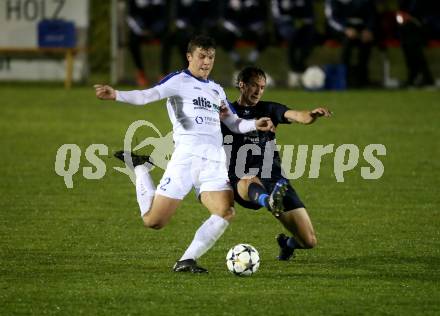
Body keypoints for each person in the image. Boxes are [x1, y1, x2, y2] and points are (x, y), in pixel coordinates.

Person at [94, 35, 277, 273]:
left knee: (225, 212)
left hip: (213, 161)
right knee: (153, 221)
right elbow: (147, 95)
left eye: (211, 57)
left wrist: (254, 124)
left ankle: (186, 260)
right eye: (201, 56)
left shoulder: (216, 90)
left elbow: (233, 122)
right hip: (186, 159)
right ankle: (140, 167)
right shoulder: (178, 81)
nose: (206, 62)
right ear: (189, 57)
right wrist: (116, 94)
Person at [221, 66, 331, 260]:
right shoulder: (226, 112)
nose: (258, 91)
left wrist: (311, 116)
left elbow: (297, 115)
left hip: (274, 179)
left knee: (308, 241)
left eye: (262, 87)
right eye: (254, 86)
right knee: (248, 180)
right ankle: (269, 202)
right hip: (241, 179)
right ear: (242, 85)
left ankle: (287, 245)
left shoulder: (270, 109)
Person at [216, 0, 273, 85]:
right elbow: (224, 18)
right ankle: (237, 60)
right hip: (234, 29)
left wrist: (252, 28)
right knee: (221, 36)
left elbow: (263, 17)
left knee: (266, 35)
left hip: (252, 29)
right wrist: (236, 29)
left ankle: (251, 60)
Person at [325, 0, 376, 87]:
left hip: (361, 29)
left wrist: (368, 29)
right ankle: (344, 79)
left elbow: (371, 15)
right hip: (341, 31)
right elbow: (332, 19)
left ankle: (362, 79)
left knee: (366, 43)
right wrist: (345, 29)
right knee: (347, 43)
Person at [271, 0, 317, 88]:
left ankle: (300, 66)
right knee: (292, 36)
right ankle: (295, 70)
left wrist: (302, 20)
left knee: (310, 35)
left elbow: (310, 14)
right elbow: (276, 15)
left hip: (302, 25)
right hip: (285, 25)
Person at [396, 0, 440, 87]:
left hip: (428, 27)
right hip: (411, 30)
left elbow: (430, 14)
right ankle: (415, 76)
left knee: (412, 44)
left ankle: (424, 77)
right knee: (407, 42)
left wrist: (413, 19)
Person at [125, 0, 168, 87]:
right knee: (132, 41)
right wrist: (141, 31)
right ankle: (141, 72)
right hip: (140, 31)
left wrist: (155, 31)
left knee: (168, 39)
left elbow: (165, 17)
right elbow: (130, 16)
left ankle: (164, 74)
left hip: (157, 30)